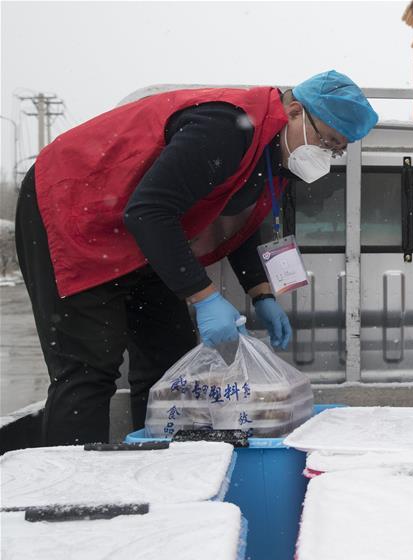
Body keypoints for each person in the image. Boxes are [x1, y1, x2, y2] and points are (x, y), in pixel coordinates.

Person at [15, 71, 378, 446]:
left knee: (169, 364)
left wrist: (261, 293)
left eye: (337, 149)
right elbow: (149, 210)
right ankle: (71, 490)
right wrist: (203, 297)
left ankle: (158, 463)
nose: (328, 154)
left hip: (144, 236)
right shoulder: (226, 127)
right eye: (329, 140)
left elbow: (237, 222)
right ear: (296, 111)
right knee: (89, 367)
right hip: (73, 211)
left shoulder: (270, 155)